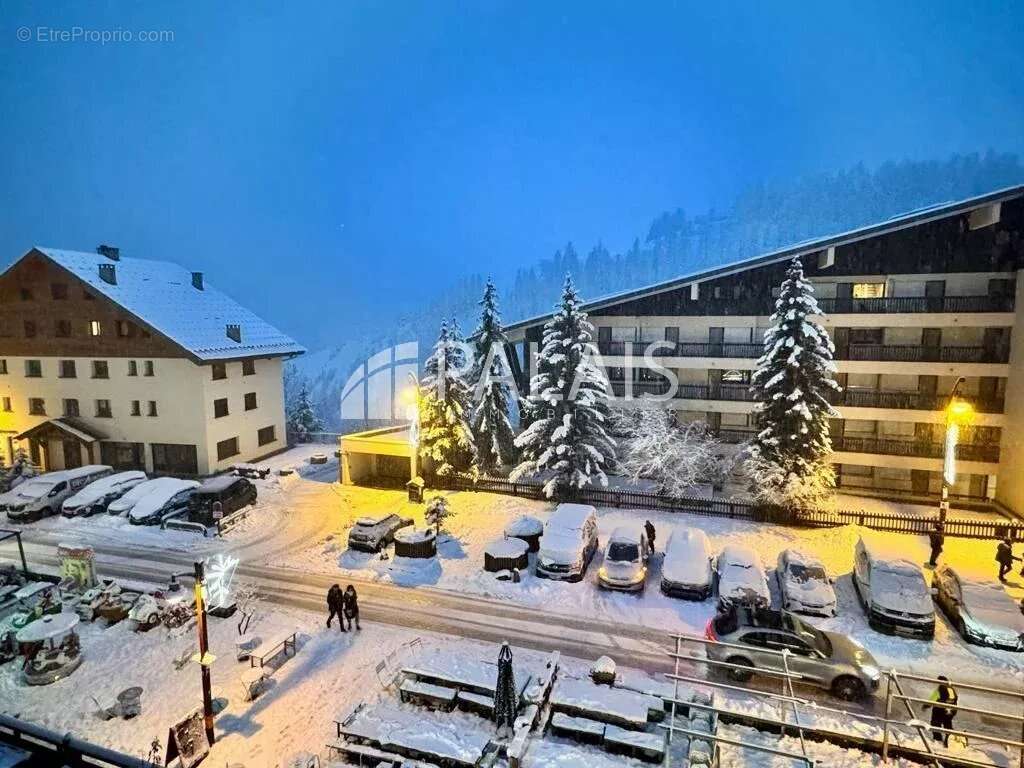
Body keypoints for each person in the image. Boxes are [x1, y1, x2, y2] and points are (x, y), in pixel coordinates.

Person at [924, 676, 958, 746]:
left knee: (935, 723)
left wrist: (926, 705)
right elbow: (954, 700)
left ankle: (938, 740)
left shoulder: (940, 689)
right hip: (950, 711)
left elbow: (932, 699)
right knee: (947, 725)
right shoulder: (951, 689)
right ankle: (949, 740)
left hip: (940, 710)